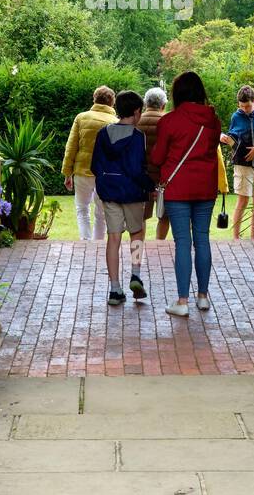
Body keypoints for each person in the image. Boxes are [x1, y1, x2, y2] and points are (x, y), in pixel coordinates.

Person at [149, 70, 221, 317]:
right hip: (205, 186)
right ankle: (203, 296)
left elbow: (158, 157)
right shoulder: (213, 120)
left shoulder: (169, 122)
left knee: (183, 242)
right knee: (202, 239)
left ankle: (182, 300)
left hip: (178, 188)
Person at [91, 90, 153, 307]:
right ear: (136, 112)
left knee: (113, 238)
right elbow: (136, 169)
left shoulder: (102, 133)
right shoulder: (138, 137)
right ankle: (135, 275)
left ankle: (115, 289)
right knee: (136, 233)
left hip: (109, 192)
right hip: (133, 192)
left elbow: (94, 165)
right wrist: (149, 186)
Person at [61, 85, 116, 240]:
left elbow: (71, 147)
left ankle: (85, 241)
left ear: (94, 99)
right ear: (112, 103)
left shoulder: (81, 117)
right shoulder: (116, 122)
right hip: (104, 175)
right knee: (102, 213)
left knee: (82, 209)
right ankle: (98, 244)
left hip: (82, 172)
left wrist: (67, 173)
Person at [220, 84, 254, 240]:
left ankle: (253, 238)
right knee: (242, 200)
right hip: (242, 164)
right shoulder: (236, 116)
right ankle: (236, 238)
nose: (245, 109)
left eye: (247, 106)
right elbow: (233, 136)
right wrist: (224, 138)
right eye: (242, 106)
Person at [138, 86, 169, 239]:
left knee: (140, 216)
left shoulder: (137, 121)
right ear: (163, 105)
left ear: (145, 103)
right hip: (163, 178)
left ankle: (140, 248)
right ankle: (159, 245)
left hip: (141, 178)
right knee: (164, 216)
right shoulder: (168, 122)